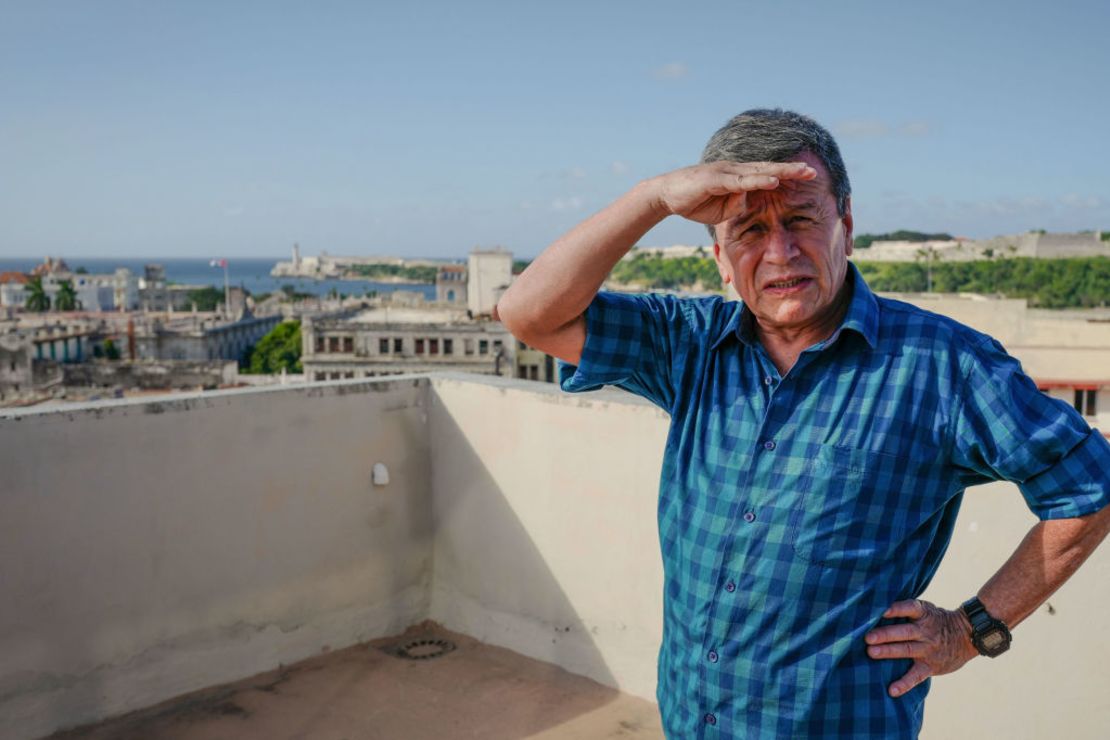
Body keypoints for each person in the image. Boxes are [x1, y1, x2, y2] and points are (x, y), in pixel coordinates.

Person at [495, 108, 1110, 738]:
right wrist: (653, 197)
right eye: (750, 230)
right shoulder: (689, 345)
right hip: (694, 722)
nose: (780, 252)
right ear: (718, 256)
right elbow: (529, 314)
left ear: (846, 222)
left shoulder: (944, 366)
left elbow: (1090, 488)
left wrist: (971, 628)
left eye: (800, 219)